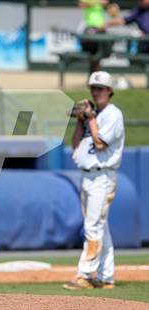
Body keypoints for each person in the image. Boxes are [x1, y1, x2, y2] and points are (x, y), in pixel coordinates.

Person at [63, 71, 125, 290]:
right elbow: (75, 144)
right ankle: (107, 276)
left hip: (103, 176)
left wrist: (90, 118)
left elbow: (100, 144)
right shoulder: (95, 116)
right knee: (100, 227)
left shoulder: (113, 114)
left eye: (100, 88)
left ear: (109, 91)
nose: (96, 92)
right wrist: (82, 120)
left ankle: (86, 275)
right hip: (87, 175)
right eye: (93, 88)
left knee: (92, 226)